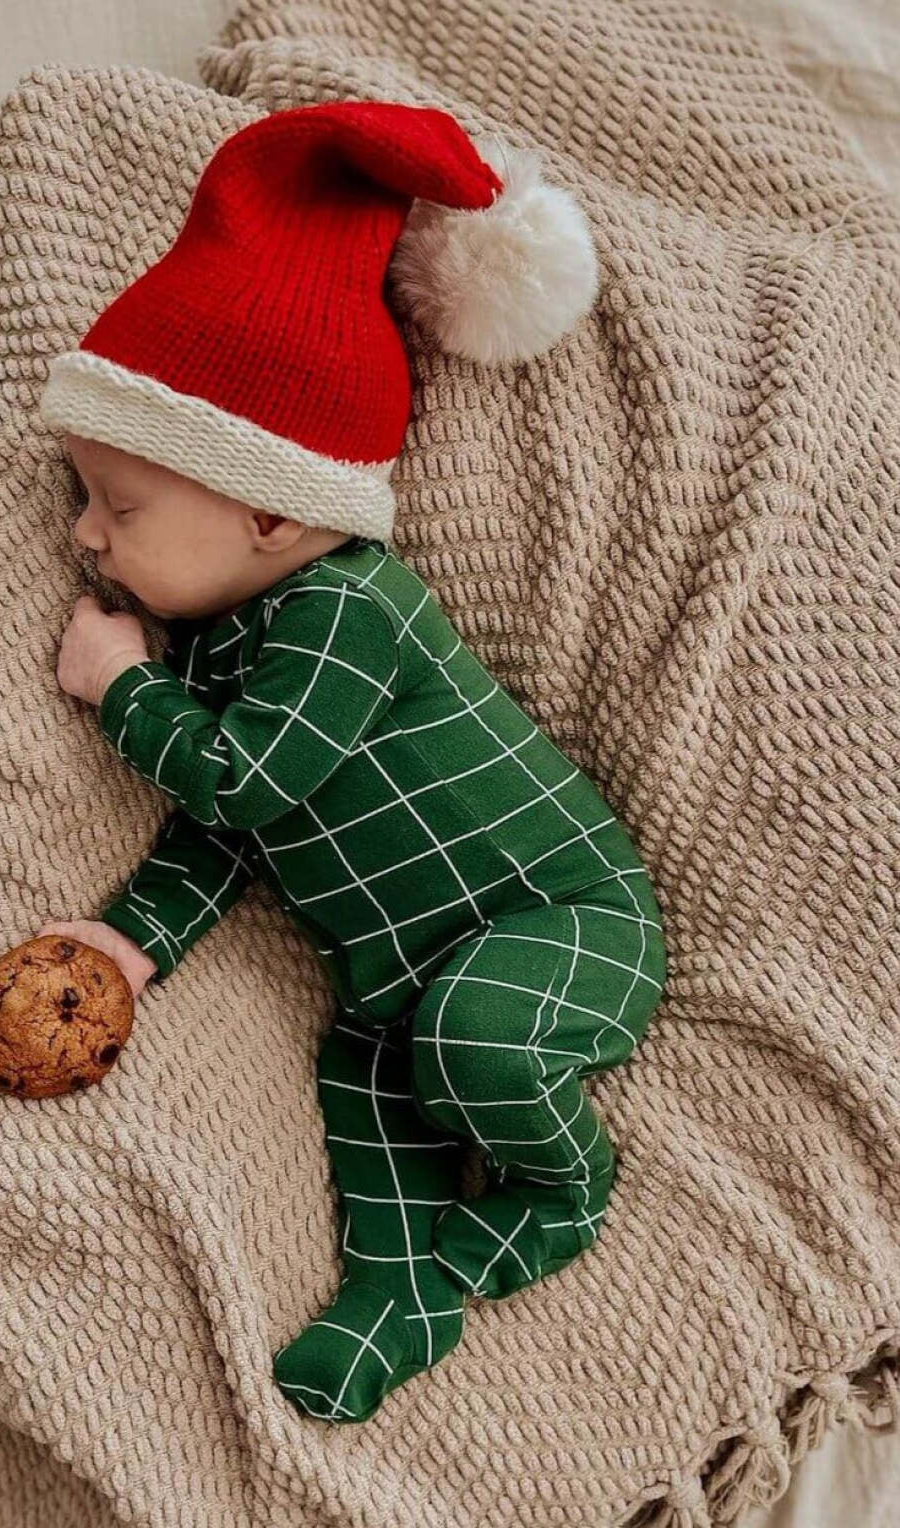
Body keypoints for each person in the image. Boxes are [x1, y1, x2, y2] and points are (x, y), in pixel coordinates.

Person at [34, 99, 668, 1424]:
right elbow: (231, 830)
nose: (87, 536)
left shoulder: (348, 609)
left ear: (272, 506)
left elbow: (244, 777)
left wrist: (123, 690)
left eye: (120, 504)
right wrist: (134, 941)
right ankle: (400, 1293)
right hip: (402, 974)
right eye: (88, 500)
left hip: (560, 920)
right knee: (370, 1072)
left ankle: (564, 1188)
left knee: (473, 1035)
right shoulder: (226, 644)